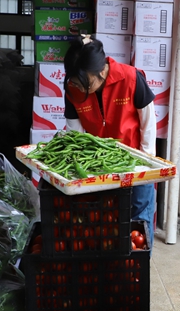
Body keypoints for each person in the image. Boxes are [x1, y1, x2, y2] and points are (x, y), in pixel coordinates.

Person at [63, 36, 157, 243]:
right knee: (105, 222)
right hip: (98, 167)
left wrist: (145, 164)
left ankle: (138, 262)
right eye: (75, 82)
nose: (79, 88)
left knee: (138, 221)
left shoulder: (131, 78)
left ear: (102, 71)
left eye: (85, 82)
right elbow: (75, 137)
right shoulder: (73, 88)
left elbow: (148, 124)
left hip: (136, 163)